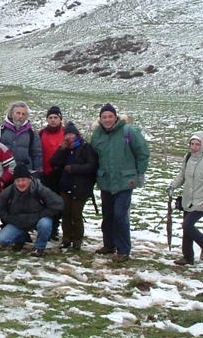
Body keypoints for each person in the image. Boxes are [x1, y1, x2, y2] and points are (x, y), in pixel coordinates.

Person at [91, 103, 150, 262]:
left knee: (120, 215)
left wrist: (140, 173)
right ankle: (109, 244)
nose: (107, 119)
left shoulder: (128, 131)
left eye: (110, 116)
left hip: (125, 181)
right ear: (100, 119)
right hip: (106, 181)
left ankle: (123, 250)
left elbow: (143, 152)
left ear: (115, 117)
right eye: (104, 117)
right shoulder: (97, 134)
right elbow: (94, 155)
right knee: (108, 215)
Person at [167, 131, 203, 266]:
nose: (194, 147)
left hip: (202, 201)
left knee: (187, 224)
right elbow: (182, 175)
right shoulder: (188, 158)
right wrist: (172, 186)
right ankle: (188, 257)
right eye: (192, 144)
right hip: (188, 200)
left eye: (197, 144)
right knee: (187, 229)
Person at [0, 164, 64, 257]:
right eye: (18, 180)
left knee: (45, 224)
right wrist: (10, 219)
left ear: (30, 179)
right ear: (14, 181)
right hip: (18, 222)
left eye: (24, 180)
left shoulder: (39, 188)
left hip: (38, 219)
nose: (21, 183)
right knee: (2, 239)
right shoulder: (10, 191)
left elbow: (58, 204)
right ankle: (21, 239)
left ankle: (39, 247)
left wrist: (42, 214)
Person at [50, 122, 98, 250]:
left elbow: (91, 166)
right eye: (67, 134)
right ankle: (66, 238)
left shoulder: (86, 148)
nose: (69, 137)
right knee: (65, 213)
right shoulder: (65, 150)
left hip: (80, 188)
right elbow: (53, 162)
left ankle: (77, 240)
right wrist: (62, 148)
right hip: (65, 186)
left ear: (77, 135)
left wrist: (74, 169)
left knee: (76, 214)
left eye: (72, 134)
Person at [39, 105, 65, 240]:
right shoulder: (41, 133)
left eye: (56, 117)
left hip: (61, 174)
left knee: (59, 202)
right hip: (45, 174)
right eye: (50, 117)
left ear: (60, 119)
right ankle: (47, 229)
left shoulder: (66, 133)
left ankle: (55, 228)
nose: (53, 120)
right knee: (46, 202)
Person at [0, 101, 43, 173]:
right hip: (5, 172)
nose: (20, 116)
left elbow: (37, 154)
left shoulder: (32, 133)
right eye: (18, 113)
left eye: (23, 114)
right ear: (12, 114)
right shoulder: (1, 130)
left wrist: (37, 172)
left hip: (25, 173)